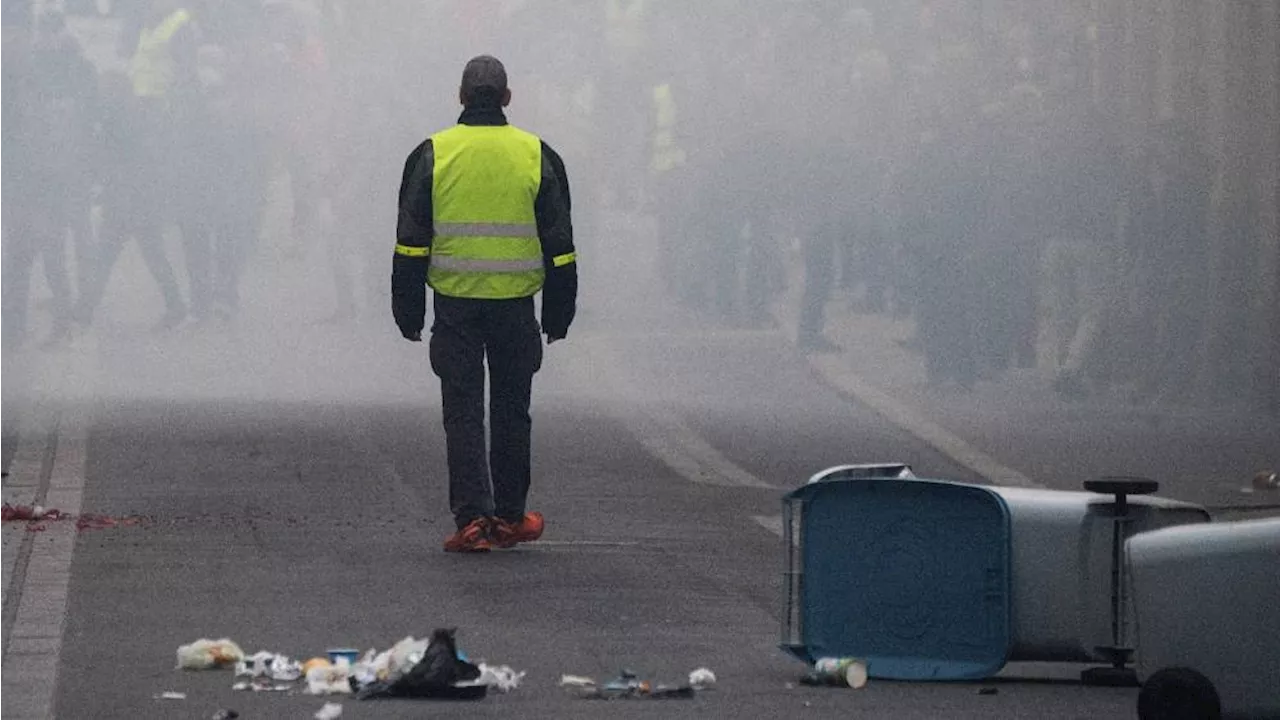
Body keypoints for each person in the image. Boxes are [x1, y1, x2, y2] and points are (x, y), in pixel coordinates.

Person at [393, 56, 578, 553]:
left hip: (454, 306)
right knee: (513, 410)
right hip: (517, 307)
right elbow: (559, 244)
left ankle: (473, 519)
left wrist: (408, 311)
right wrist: (559, 314)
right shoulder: (537, 155)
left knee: (463, 412)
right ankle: (511, 517)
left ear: (460, 96)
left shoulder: (434, 154)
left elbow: (411, 241)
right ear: (507, 98)